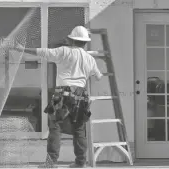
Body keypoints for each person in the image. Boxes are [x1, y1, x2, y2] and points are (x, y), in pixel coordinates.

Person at [14, 26, 103, 168]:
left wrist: (21, 49)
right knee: (79, 129)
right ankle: (80, 163)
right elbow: (98, 77)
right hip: (81, 95)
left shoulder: (63, 51)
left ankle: (51, 164)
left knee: (55, 127)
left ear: (71, 40)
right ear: (85, 43)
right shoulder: (90, 58)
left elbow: (42, 52)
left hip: (63, 93)